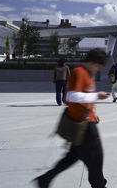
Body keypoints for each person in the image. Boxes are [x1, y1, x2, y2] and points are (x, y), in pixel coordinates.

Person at [34, 48, 109, 188]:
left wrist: (92, 111)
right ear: (92, 62)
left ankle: (45, 179)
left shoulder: (86, 73)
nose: (98, 70)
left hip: (84, 121)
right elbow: (71, 96)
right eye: (98, 66)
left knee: (73, 156)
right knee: (96, 158)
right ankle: (99, 186)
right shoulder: (79, 72)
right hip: (84, 126)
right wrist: (96, 96)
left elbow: (82, 97)